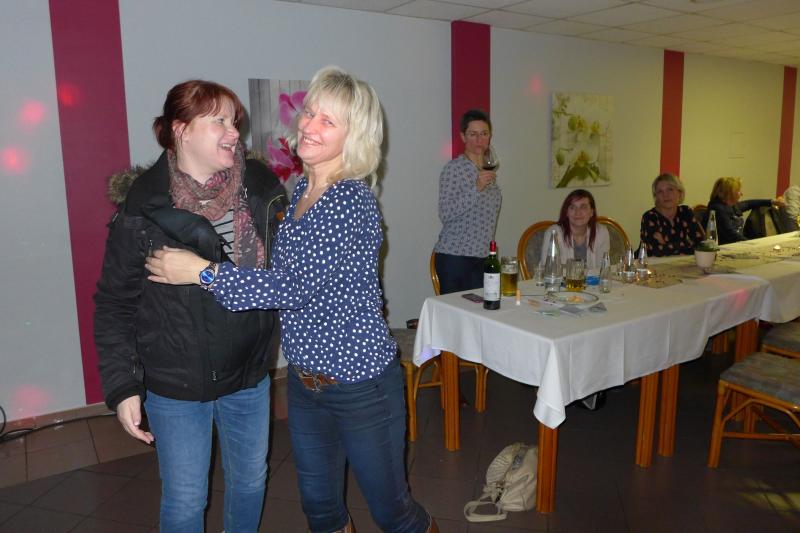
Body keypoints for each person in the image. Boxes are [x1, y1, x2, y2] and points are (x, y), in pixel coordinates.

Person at [145, 66, 438, 533]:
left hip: (360, 386)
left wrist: (201, 272)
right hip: (306, 383)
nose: (309, 125)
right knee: (321, 511)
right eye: (310, 112)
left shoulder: (349, 200)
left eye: (328, 121)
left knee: (393, 513)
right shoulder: (302, 190)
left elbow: (291, 288)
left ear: (354, 136)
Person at [94, 80, 286, 532]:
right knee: (185, 500)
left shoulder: (261, 189)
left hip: (249, 373)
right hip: (176, 383)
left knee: (250, 482)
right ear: (180, 129)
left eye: (234, 121)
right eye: (218, 121)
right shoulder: (143, 207)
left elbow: (281, 281)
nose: (234, 132)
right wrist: (123, 386)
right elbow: (115, 303)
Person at [433, 109, 502, 294]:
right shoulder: (454, 169)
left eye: (484, 133)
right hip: (456, 258)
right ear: (463, 137)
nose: (479, 139)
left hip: (483, 257)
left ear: (490, 136)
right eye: (473, 134)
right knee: (458, 312)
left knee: (485, 308)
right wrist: (476, 188)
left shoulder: (488, 171)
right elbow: (445, 214)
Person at [541, 189, 609, 271]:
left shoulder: (601, 232)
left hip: (593, 279)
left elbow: (603, 269)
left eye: (583, 207)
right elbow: (548, 269)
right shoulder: (554, 233)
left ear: (591, 212)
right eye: (572, 208)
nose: (578, 212)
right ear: (566, 212)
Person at [640, 173, 704, 256]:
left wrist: (664, 244)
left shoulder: (685, 212)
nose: (665, 195)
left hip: (681, 262)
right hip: (650, 263)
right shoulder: (650, 217)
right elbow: (657, 251)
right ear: (656, 197)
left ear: (679, 193)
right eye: (660, 191)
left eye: (670, 189)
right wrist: (686, 244)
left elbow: (701, 245)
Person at [706, 177, 783, 244]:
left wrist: (772, 201)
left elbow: (749, 203)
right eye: (738, 191)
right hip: (724, 248)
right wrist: (753, 243)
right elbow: (731, 234)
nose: (741, 194)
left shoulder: (730, 205)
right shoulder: (718, 209)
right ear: (729, 193)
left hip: (735, 244)